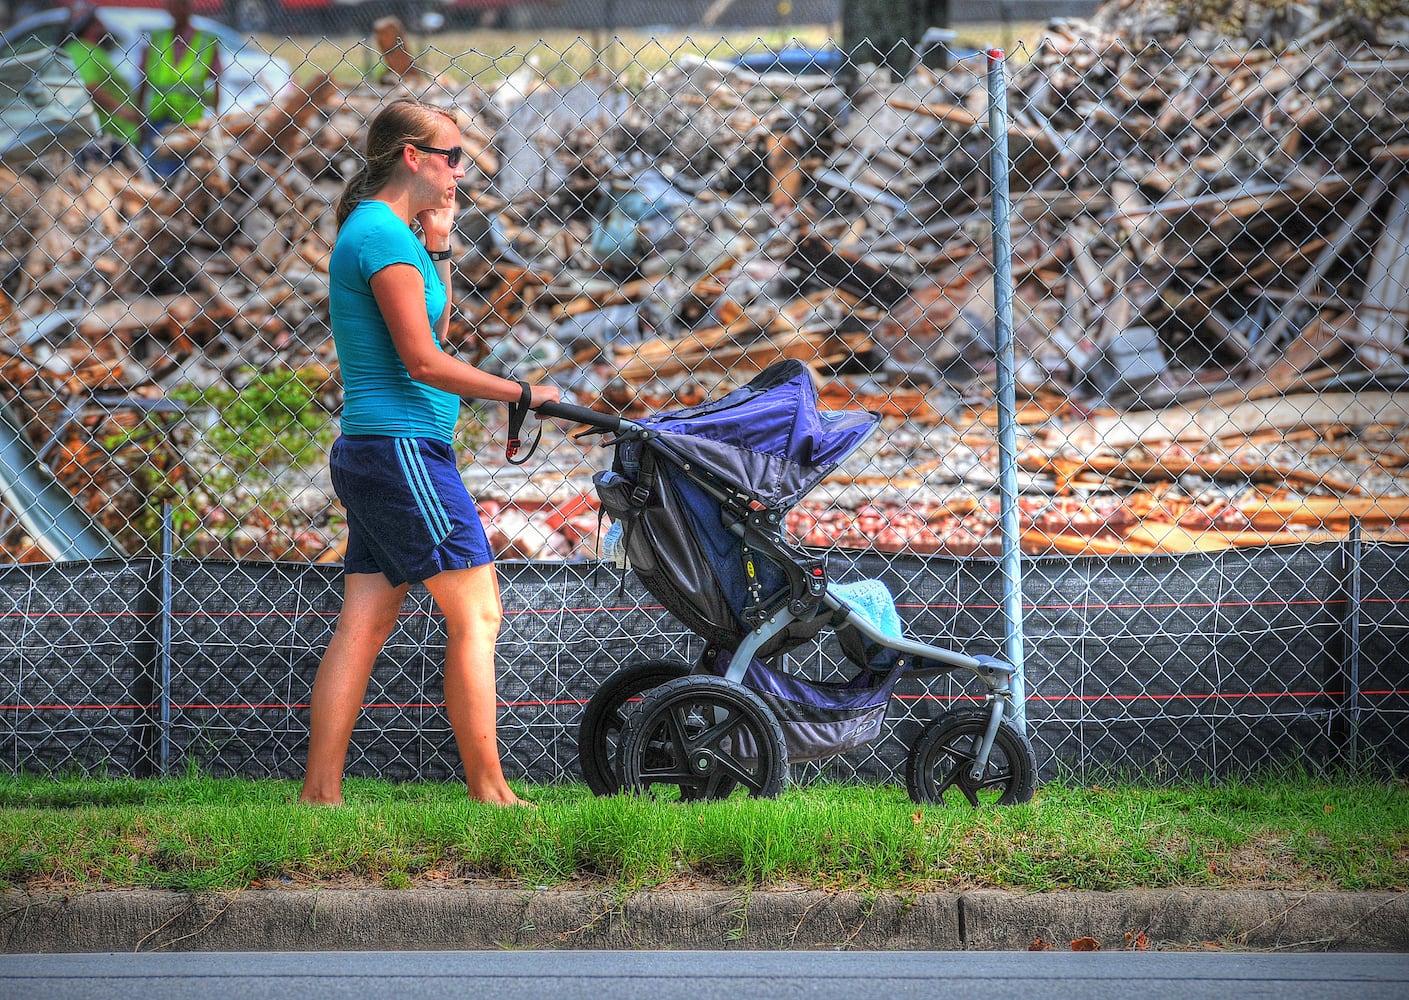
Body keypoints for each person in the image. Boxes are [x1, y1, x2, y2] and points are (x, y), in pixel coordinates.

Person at [299, 98, 560, 808]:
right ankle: (492, 793)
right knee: (477, 614)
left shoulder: (386, 233)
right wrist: (519, 392)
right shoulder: (380, 237)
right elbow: (424, 361)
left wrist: (440, 246)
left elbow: (433, 329)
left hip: (381, 451)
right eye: (451, 157)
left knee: (366, 620)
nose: (460, 170)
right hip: (403, 451)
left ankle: (319, 798)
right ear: (411, 157)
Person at [134, 0, 222, 178]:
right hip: (159, 116)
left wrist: (216, 116)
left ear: (189, 8)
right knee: (156, 170)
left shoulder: (205, 41)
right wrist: (139, 115)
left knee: (183, 171)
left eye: (181, 4)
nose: (177, 9)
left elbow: (217, 79)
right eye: (173, 4)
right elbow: (143, 79)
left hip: (189, 119)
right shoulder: (157, 39)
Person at [62, 6, 141, 167]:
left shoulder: (94, 50)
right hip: (105, 133)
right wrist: (122, 110)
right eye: (99, 22)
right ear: (90, 27)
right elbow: (90, 86)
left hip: (117, 130)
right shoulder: (79, 50)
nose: (104, 25)